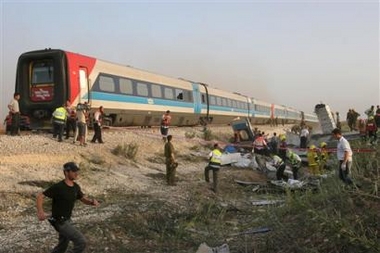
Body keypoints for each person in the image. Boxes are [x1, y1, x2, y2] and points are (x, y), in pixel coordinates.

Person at [36, 162, 99, 253]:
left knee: (63, 245)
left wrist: (92, 202)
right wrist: (40, 212)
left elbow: (83, 199)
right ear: (66, 172)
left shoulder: (76, 187)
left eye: (77, 171)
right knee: (81, 242)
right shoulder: (59, 187)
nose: (76, 173)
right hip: (59, 221)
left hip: (68, 220)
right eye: (74, 171)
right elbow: (40, 196)